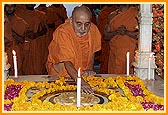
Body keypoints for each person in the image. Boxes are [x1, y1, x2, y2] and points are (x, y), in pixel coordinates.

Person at [46, 6, 101, 94]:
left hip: (81, 75)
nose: (83, 29)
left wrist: (89, 69)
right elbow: (67, 61)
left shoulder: (93, 30)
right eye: (79, 24)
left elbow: (92, 52)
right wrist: (80, 81)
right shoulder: (63, 32)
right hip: (62, 74)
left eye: (87, 24)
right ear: (71, 21)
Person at [104, 4, 139, 74]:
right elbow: (105, 36)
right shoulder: (112, 15)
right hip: (116, 54)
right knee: (115, 79)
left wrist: (126, 32)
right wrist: (116, 32)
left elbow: (142, 34)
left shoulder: (136, 13)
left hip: (132, 54)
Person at [16, 4, 48, 75]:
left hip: (35, 43)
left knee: (36, 65)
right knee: (22, 64)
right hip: (22, 43)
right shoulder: (19, 13)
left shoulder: (39, 14)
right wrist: (23, 34)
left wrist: (36, 34)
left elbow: (45, 29)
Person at [4, 4, 29, 75]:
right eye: (7, 6)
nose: (9, 8)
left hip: (14, 50)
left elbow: (21, 40)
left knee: (16, 71)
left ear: (15, 7)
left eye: (11, 6)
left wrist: (10, 30)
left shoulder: (20, 22)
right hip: (3, 50)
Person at [96, 4, 119, 73]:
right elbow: (104, 33)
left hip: (122, 46)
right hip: (107, 43)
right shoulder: (109, 13)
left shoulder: (130, 13)